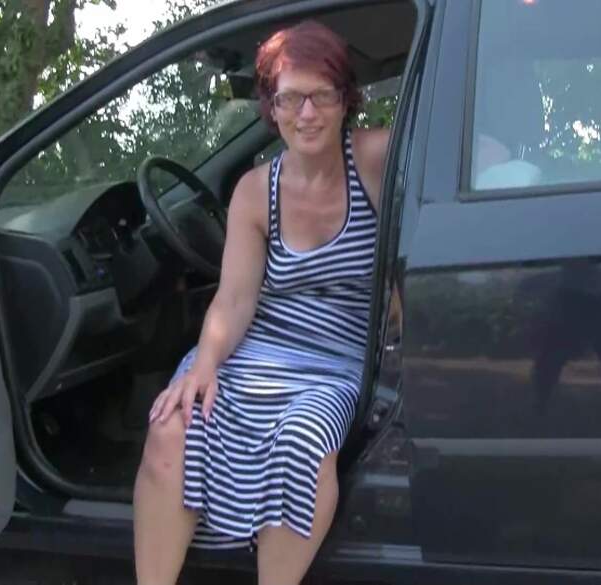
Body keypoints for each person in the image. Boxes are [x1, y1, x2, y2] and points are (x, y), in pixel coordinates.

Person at [133, 20, 390, 585]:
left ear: (346, 99)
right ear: (271, 107)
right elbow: (234, 299)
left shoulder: (375, 158)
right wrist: (204, 365)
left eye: (322, 95)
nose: (307, 114)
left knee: (303, 442)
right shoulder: (255, 190)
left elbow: (469, 149)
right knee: (174, 424)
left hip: (336, 362)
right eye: (290, 98)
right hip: (257, 349)